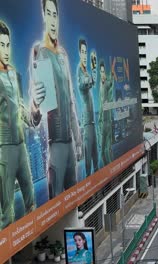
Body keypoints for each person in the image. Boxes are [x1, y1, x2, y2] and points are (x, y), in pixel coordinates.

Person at [30, 0, 83, 199]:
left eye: (55, 14)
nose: (53, 20)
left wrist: (78, 140)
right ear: (44, 16)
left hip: (70, 143)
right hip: (56, 145)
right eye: (49, 14)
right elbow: (37, 110)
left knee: (73, 198)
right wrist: (35, 106)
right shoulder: (39, 52)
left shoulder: (63, 55)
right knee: (57, 201)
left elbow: (70, 102)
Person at [0, 21, 36, 230]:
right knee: (7, 212)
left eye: (7, 44)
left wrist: (34, 116)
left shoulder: (14, 73)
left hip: (21, 146)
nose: (5, 50)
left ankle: (28, 248)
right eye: (1, 45)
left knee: (31, 198)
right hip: (4, 149)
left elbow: (21, 108)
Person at [77, 39, 98, 175]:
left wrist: (93, 69)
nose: (84, 55)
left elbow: (92, 82)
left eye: (86, 52)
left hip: (92, 123)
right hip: (87, 125)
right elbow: (85, 83)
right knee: (89, 163)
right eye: (82, 52)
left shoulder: (86, 73)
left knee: (96, 158)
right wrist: (94, 69)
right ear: (79, 53)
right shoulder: (80, 73)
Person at [98, 59, 116, 166]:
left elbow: (110, 83)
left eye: (104, 71)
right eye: (101, 72)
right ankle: (108, 167)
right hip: (102, 123)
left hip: (108, 122)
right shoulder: (101, 85)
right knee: (103, 151)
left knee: (108, 149)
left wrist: (112, 75)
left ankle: (111, 166)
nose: (103, 74)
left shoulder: (107, 84)